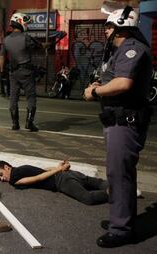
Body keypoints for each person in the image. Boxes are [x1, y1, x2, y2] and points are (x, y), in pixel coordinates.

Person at [84, 6, 153, 248]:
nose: (105, 31)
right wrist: (100, 83)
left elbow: (123, 83)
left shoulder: (132, 48)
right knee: (121, 174)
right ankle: (124, 220)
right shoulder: (121, 50)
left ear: (120, 28)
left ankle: (121, 229)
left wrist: (94, 91)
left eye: (109, 26)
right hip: (117, 119)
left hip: (125, 122)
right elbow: (113, 77)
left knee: (119, 176)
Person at [0, 12, 48, 132]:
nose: (27, 25)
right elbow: (40, 46)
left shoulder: (6, 40)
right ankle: (29, 123)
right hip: (26, 71)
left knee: (13, 97)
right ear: (20, 22)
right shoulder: (26, 37)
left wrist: (1, 72)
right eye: (25, 23)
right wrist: (48, 45)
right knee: (30, 97)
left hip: (13, 72)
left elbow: (2, 57)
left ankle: (15, 124)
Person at [0, 160, 109, 206]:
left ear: (6, 167)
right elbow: (42, 170)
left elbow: (37, 178)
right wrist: (58, 167)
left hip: (62, 181)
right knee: (98, 183)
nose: (2, 179)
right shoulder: (21, 168)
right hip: (68, 174)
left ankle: (112, 194)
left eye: (0, 174)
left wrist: (58, 169)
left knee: (87, 198)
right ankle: (122, 187)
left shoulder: (14, 179)